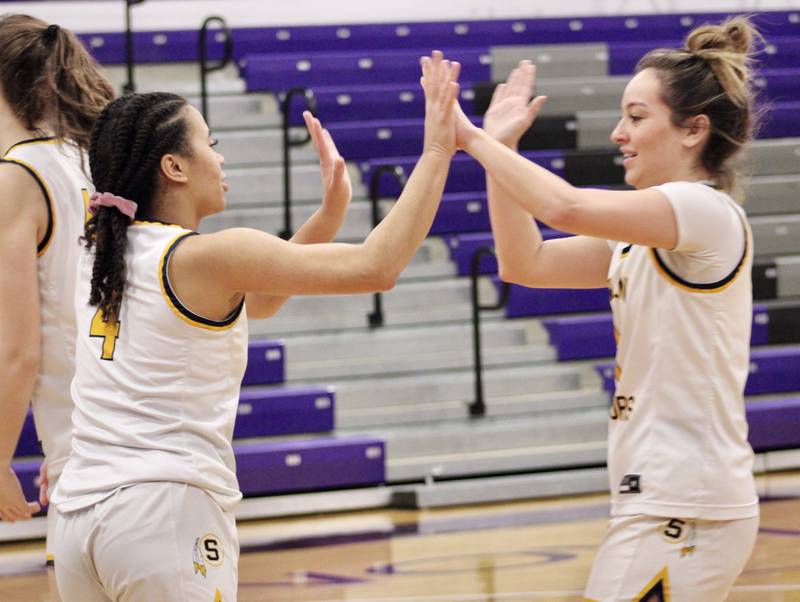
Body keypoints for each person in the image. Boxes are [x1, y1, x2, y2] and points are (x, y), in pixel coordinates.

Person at [50, 51, 460, 601]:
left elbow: (258, 302)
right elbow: (376, 267)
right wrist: (438, 149)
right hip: (160, 511)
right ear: (175, 166)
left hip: (78, 518)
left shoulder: (100, 251)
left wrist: (326, 218)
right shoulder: (207, 255)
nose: (221, 160)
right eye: (210, 145)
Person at [453, 16, 760, 601]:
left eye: (637, 117)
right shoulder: (646, 230)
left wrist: (473, 139)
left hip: (685, 504)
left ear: (693, 131)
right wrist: (502, 148)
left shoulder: (704, 211)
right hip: (666, 499)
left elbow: (564, 206)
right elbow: (527, 262)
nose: (619, 132)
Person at [0, 13, 115, 576]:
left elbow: (19, 347)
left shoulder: (17, 176)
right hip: (135, 434)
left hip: (88, 459)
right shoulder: (95, 161)